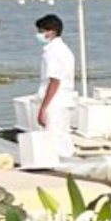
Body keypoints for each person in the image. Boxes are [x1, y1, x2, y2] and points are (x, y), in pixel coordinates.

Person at [33, 14, 76, 151]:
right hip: (64, 100)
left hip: (55, 103)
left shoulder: (53, 51)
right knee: (62, 138)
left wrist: (43, 108)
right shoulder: (64, 49)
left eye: (41, 31)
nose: (39, 35)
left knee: (53, 140)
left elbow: (54, 81)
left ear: (51, 31)